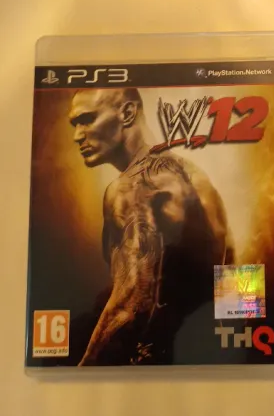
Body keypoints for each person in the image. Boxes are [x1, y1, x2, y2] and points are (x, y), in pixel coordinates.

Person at [68, 86, 234, 365]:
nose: (77, 135)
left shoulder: (130, 189)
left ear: (127, 113)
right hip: (201, 357)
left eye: (86, 119)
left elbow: (132, 302)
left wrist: (85, 370)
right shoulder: (196, 177)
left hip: (157, 362)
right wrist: (222, 347)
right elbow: (235, 277)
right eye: (74, 124)